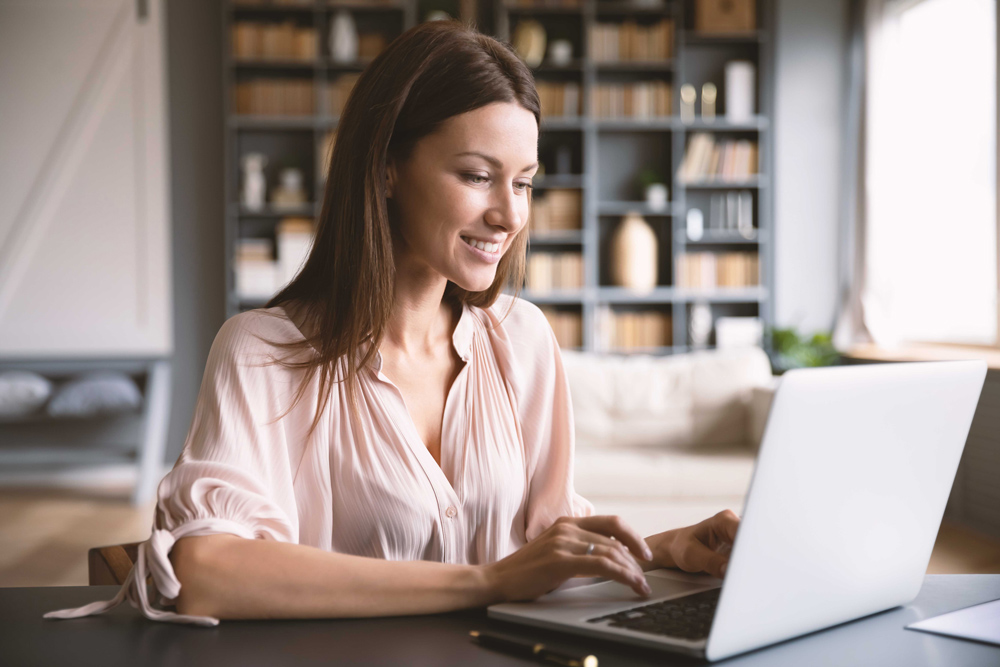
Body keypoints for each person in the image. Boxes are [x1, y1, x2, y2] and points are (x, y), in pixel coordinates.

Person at [45, 20, 739, 627]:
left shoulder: (522, 341)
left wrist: (671, 546)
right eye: (477, 175)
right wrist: (484, 580)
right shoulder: (261, 353)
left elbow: (543, 550)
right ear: (386, 169)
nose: (510, 214)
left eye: (524, 181)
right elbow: (204, 573)